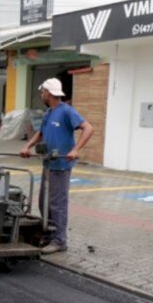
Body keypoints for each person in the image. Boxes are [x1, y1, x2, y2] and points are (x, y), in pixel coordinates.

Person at [19, 78, 95, 254]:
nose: (41, 94)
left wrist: (75, 149)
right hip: (48, 163)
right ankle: (49, 234)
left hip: (61, 165)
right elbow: (40, 133)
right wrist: (27, 146)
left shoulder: (67, 112)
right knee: (44, 202)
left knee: (57, 203)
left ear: (49, 93)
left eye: (43, 91)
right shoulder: (48, 113)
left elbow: (88, 128)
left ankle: (60, 241)